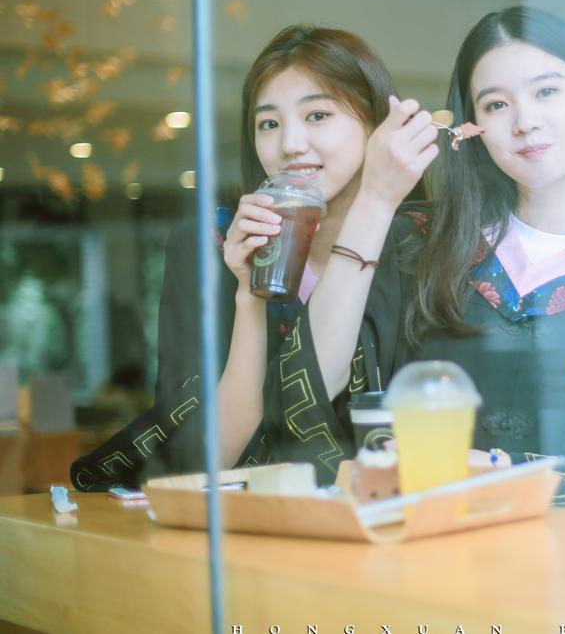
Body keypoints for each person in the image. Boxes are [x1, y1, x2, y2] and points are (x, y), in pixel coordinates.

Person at [255, 7, 565, 515]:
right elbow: (306, 396)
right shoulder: (424, 250)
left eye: (546, 91)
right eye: (496, 105)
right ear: (470, 128)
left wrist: (495, 472)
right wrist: (376, 202)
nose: (525, 122)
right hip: (435, 550)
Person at [70, 25, 424, 490]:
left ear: (378, 126)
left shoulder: (426, 247)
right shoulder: (208, 246)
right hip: (254, 517)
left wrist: (376, 203)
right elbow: (205, 462)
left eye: (317, 115)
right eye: (268, 124)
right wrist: (248, 296)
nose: (290, 144)